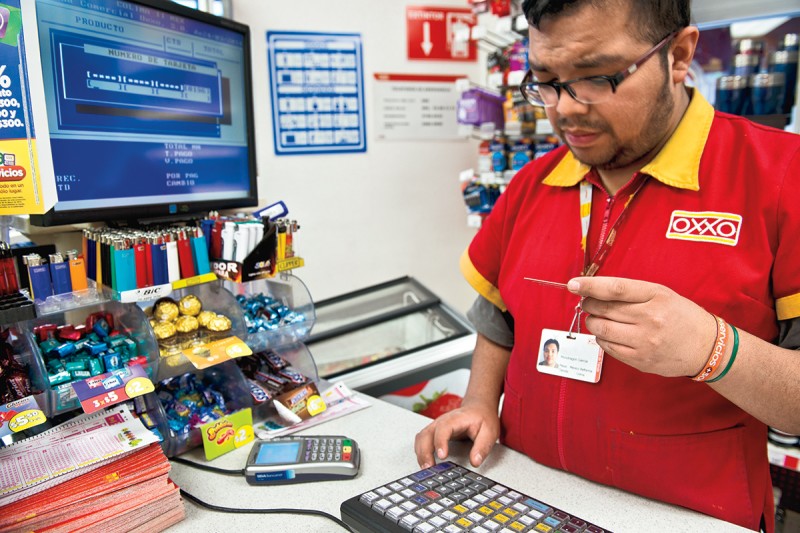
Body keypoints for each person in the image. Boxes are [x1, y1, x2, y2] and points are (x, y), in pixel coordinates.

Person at [414, 1, 800, 531]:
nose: (566, 109)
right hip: (529, 501)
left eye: (597, 76)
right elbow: (497, 319)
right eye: (546, 80)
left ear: (680, 55)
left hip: (691, 515)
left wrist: (714, 350)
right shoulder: (531, 185)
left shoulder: (781, 179)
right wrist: (480, 402)